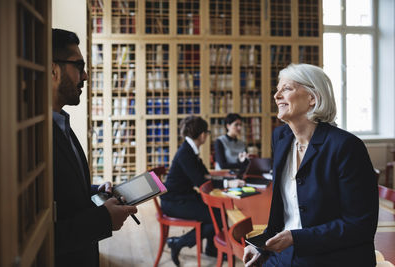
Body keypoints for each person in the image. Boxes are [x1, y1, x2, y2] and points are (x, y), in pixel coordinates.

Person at [243, 63, 378, 267]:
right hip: (288, 253)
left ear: (312, 98)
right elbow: (285, 214)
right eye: (277, 89)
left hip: (334, 258)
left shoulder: (346, 146)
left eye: (286, 88)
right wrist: (261, 245)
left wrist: (297, 238)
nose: (277, 95)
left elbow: (360, 225)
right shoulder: (281, 138)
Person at [52, 28, 137, 267]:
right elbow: (40, 234)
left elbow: (61, 198)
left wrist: (94, 191)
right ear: (53, 69)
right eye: (79, 66)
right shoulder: (34, 139)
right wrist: (103, 219)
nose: (86, 76)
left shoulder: (61, 124)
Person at [160, 116, 244, 266]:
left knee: (217, 212)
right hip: (174, 202)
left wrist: (223, 180)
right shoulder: (186, 153)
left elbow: (204, 174)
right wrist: (228, 183)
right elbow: (201, 182)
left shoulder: (190, 149)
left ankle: (210, 248)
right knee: (218, 216)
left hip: (183, 197)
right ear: (203, 135)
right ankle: (178, 242)